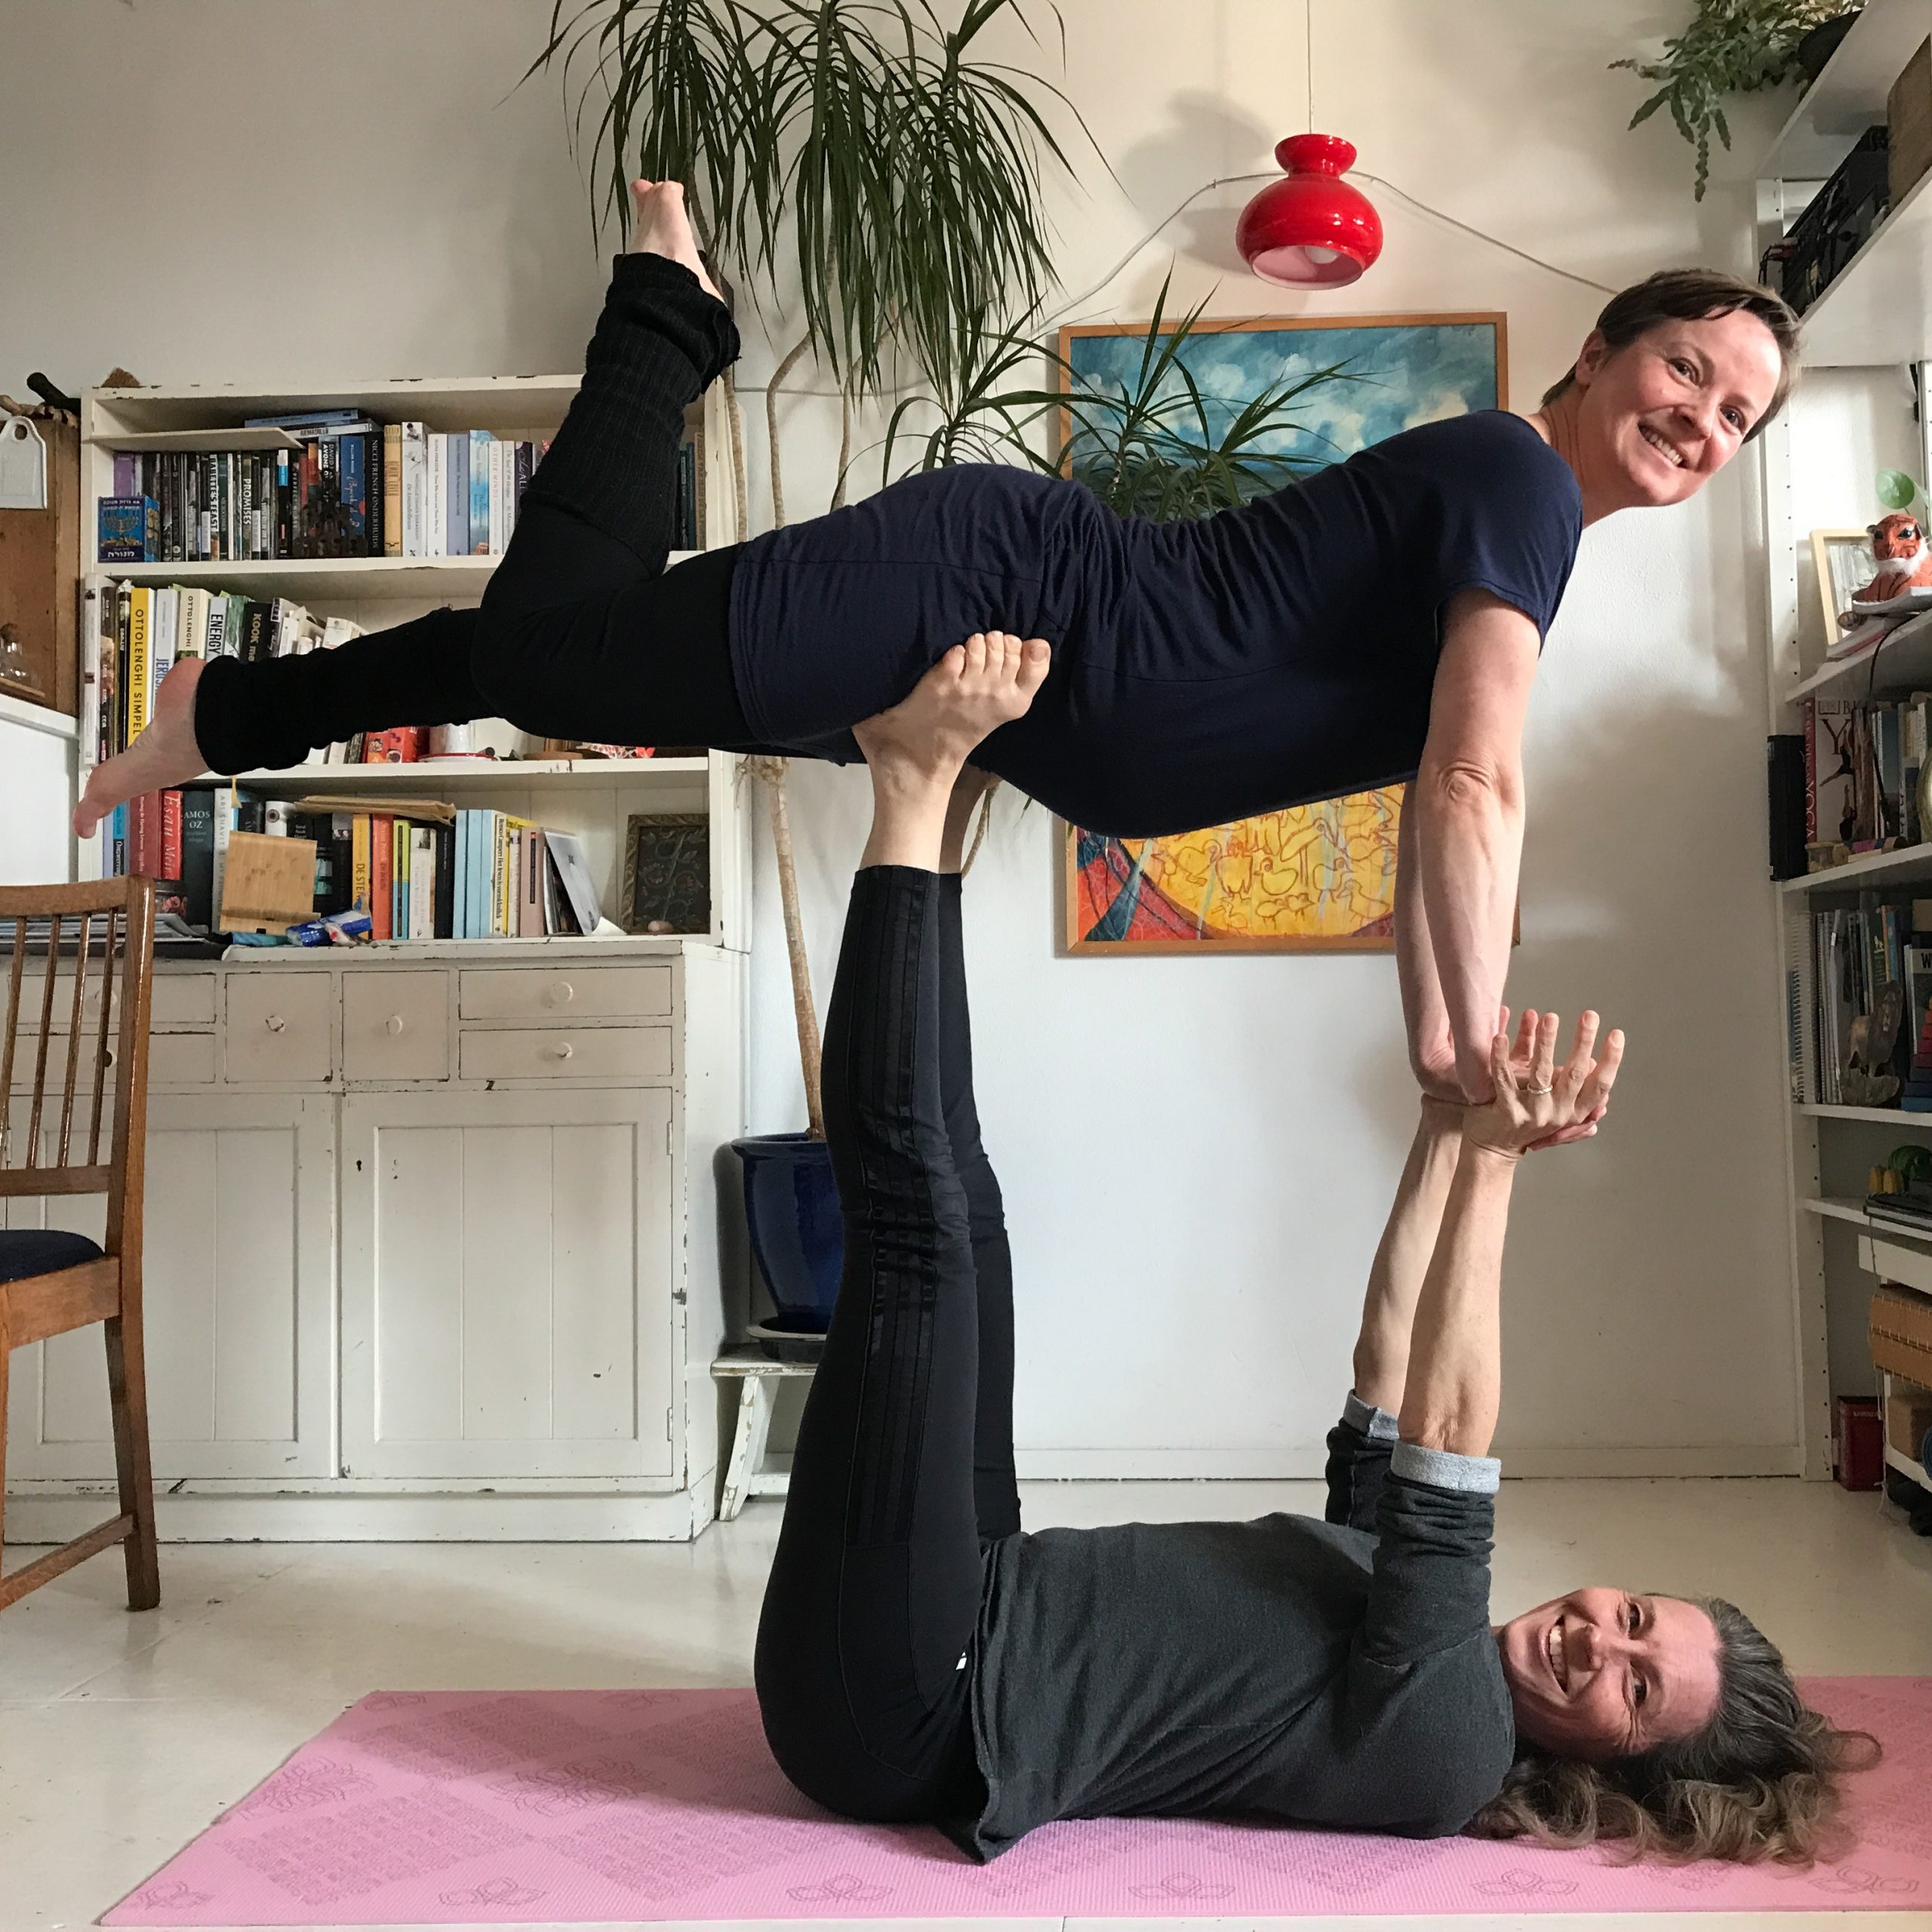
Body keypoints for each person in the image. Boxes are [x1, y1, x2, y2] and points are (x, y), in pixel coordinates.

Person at [75, 180, 1798, 1103]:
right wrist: (1464, 1035)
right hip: (982, 591)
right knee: (552, 660)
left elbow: (1447, 793)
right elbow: (1479, 784)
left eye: (1735, 419)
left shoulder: (1523, 539)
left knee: (561, 650)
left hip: (989, 671)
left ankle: (221, 711)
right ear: (1594, 357)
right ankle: (663, 310)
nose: (1700, 420)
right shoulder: (1511, 473)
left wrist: (1447, 1040)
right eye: (1683, 374)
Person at [755, 627, 1873, 1866]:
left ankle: (907, 788)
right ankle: (947, 818)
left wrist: (1497, 1162)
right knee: (966, 1213)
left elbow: (1454, 1442)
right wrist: (1452, 1116)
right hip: (969, 1595)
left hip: (907, 1704)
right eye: (1636, 1618)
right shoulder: (1409, 1617)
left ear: (1625, 1761)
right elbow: (1390, 1368)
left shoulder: (1449, 1740)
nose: (1595, 1638)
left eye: (1634, 1687)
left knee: (918, 1241)